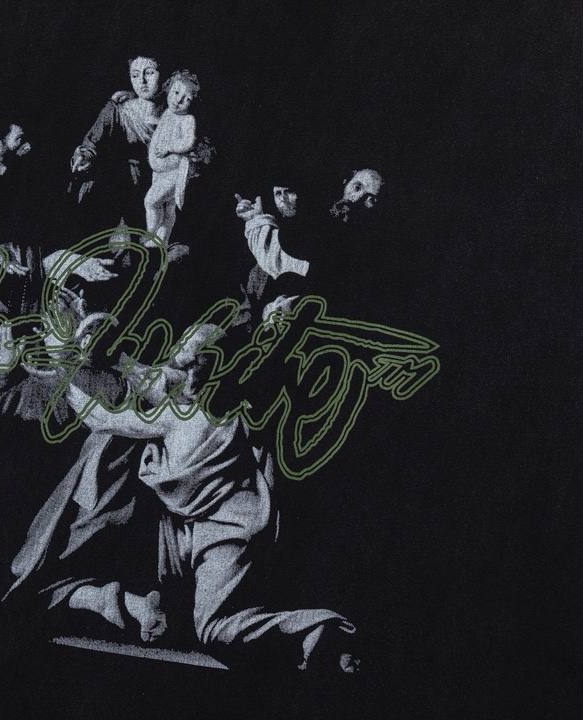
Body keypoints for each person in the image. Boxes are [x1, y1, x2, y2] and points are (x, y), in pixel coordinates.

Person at [60, 324, 357, 669]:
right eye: (179, 363)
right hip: (190, 530)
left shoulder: (187, 416)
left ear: (215, 368)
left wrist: (67, 368)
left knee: (215, 631)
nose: (178, 374)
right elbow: (152, 379)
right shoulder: (220, 397)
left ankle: (317, 630)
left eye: (190, 367)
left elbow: (105, 417)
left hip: (227, 531)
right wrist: (111, 356)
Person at [69, 56, 163, 232]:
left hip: (159, 185)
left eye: (149, 73)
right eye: (135, 75)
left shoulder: (174, 112)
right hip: (125, 185)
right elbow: (92, 142)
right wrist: (84, 157)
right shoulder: (118, 109)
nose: (142, 81)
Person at [144, 70, 199, 246]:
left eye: (186, 99)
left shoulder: (188, 119)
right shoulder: (167, 112)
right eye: (176, 92)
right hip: (159, 171)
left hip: (175, 171)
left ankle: (150, 234)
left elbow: (189, 142)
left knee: (151, 202)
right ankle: (162, 241)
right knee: (167, 207)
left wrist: (169, 147)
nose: (178, 100)